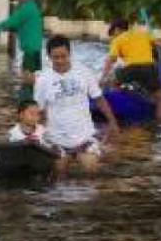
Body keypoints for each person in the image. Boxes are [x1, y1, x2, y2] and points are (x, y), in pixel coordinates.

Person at [34, 36, 120, 175]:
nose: (60, 61)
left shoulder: (84, 72)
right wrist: (35, 134)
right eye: (56, 57)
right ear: (48, 56)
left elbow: (98, 98)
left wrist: (112, 121)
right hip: (57, 139)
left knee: (91, 169)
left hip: (84, 137)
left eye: (64, 56)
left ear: (70, 53)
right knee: (58, 174)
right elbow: (39, 111)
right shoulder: (43, 80)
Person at [100, 18, 161, 123]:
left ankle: (121, 103)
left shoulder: (118, 39)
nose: (113, 36)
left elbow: (111, 60)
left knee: (113, 83)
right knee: (160, 97)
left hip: (131, 68)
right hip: (148, 67)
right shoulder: (143, 34)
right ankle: (160, 122)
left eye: (113, 33)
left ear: (117, 29)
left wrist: (103, 77)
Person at [0, 0, 44, 101]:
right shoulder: (31, 7)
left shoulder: (26, 8)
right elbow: (16, 26)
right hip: (35, 48)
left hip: (30, 48)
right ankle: (32, 97)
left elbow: (12, 22)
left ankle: (27, 100)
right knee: (31, 75)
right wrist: (2, 29)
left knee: (27, 75)